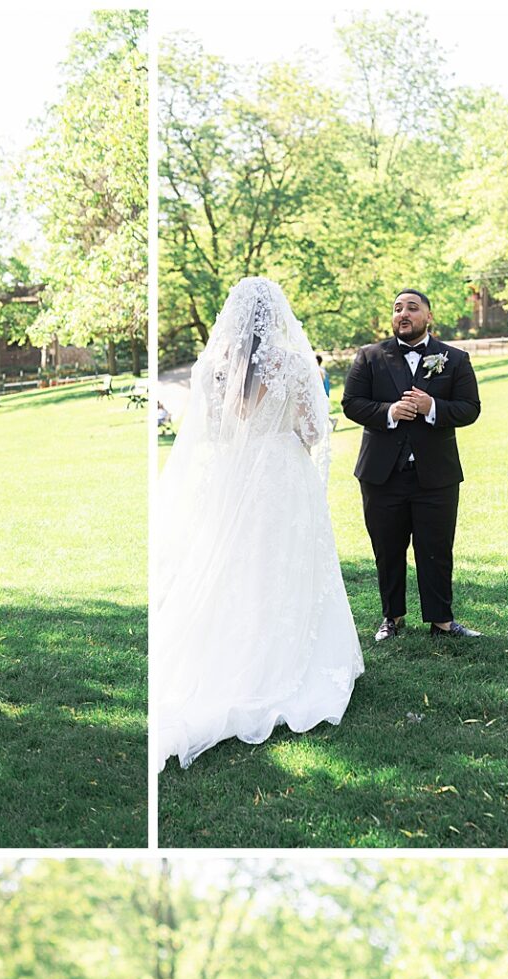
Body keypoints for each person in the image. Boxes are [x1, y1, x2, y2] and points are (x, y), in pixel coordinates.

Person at [157, 277, 364, 770]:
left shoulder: (214, 369)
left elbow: (208, 433)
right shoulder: (293, 363)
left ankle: (231, 654)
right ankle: (287, 661)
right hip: (281, 475)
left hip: (236, 475)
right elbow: (314, 431)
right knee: (284, 564)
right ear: (277, 317)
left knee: (236, 565)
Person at [342, 288, 481, 643]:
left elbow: (469, 408)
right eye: (397, 308)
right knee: (387, 549)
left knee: (436, 548)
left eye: (412, 308)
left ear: (428, 317)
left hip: (436, 474)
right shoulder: (370, 357)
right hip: (381, 474)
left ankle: (442, 621)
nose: (403, 314)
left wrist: (432, 406)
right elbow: (352, 404)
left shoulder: (454, 358)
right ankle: (392, 617)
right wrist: (388, 412)